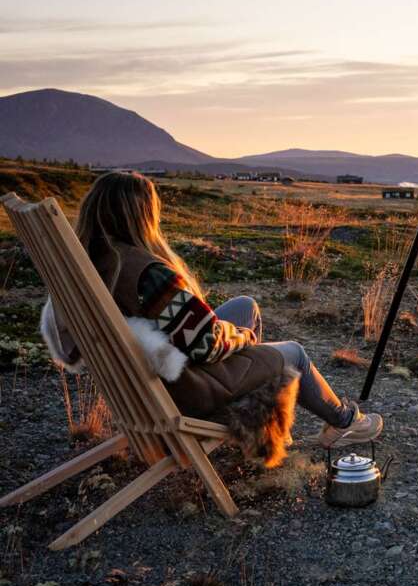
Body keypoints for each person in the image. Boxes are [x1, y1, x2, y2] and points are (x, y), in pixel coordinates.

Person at [39, 172, 382, 465]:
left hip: (153, 376)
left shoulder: (89, 264)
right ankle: (344, 422)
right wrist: (242, 337)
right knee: (294, 353)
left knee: (245, 305)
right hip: (188, 389)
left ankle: (262, 425)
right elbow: (206, 345)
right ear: (141, 215)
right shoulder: (145, 273)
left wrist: (231, 330)